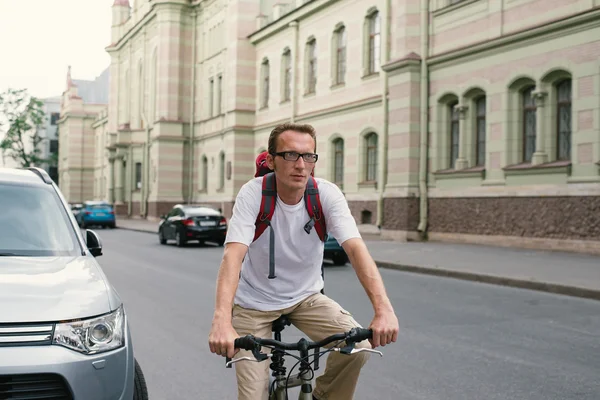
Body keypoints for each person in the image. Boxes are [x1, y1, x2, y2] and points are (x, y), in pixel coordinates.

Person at [208, 123, 399, 400]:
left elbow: (357, 251)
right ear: (271, 160)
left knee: (358, 348)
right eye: (290, 155)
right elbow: (232, 257)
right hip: (254, 305)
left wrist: (384, 310)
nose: (300, 165)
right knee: (253, 396)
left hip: (307, 298)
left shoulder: (326, 194)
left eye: (308, 156)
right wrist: (222, 321)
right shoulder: (254, 194)